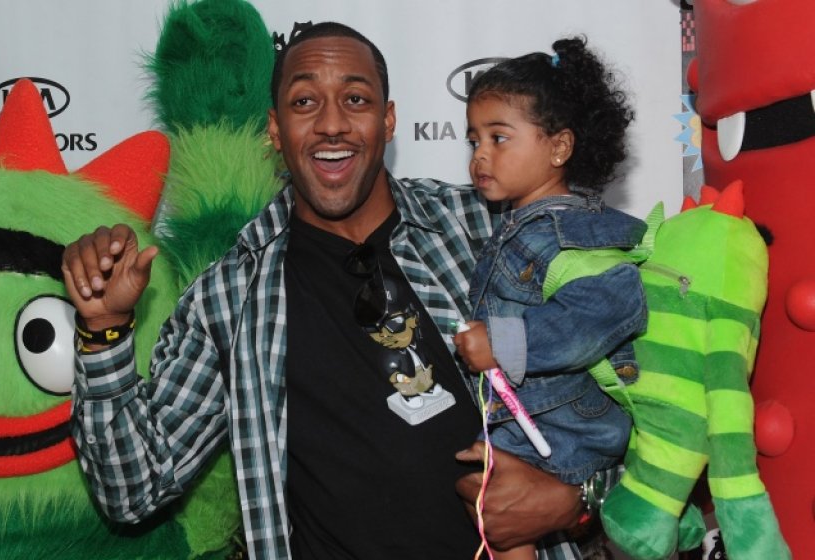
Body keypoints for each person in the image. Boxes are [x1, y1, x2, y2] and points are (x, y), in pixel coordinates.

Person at [62, 22, 600, 560]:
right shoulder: (229, 297)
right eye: (304, 102)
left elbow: (634, 380)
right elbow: (134, 489)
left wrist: (574, 497)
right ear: (275, 131)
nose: (332, 125)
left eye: (355, 98)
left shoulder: (488, 229)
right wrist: (102, 332)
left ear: (388, 120)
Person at [452, 37, 646, 559]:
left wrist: (503, 341)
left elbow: (608, 310)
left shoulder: (569, 232)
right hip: (529, 419)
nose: (480, 156)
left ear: (559, 147)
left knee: (498, 510)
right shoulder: (526, 222)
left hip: (566, 427)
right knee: (495, 513)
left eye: (499, 138)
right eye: (474, 141)